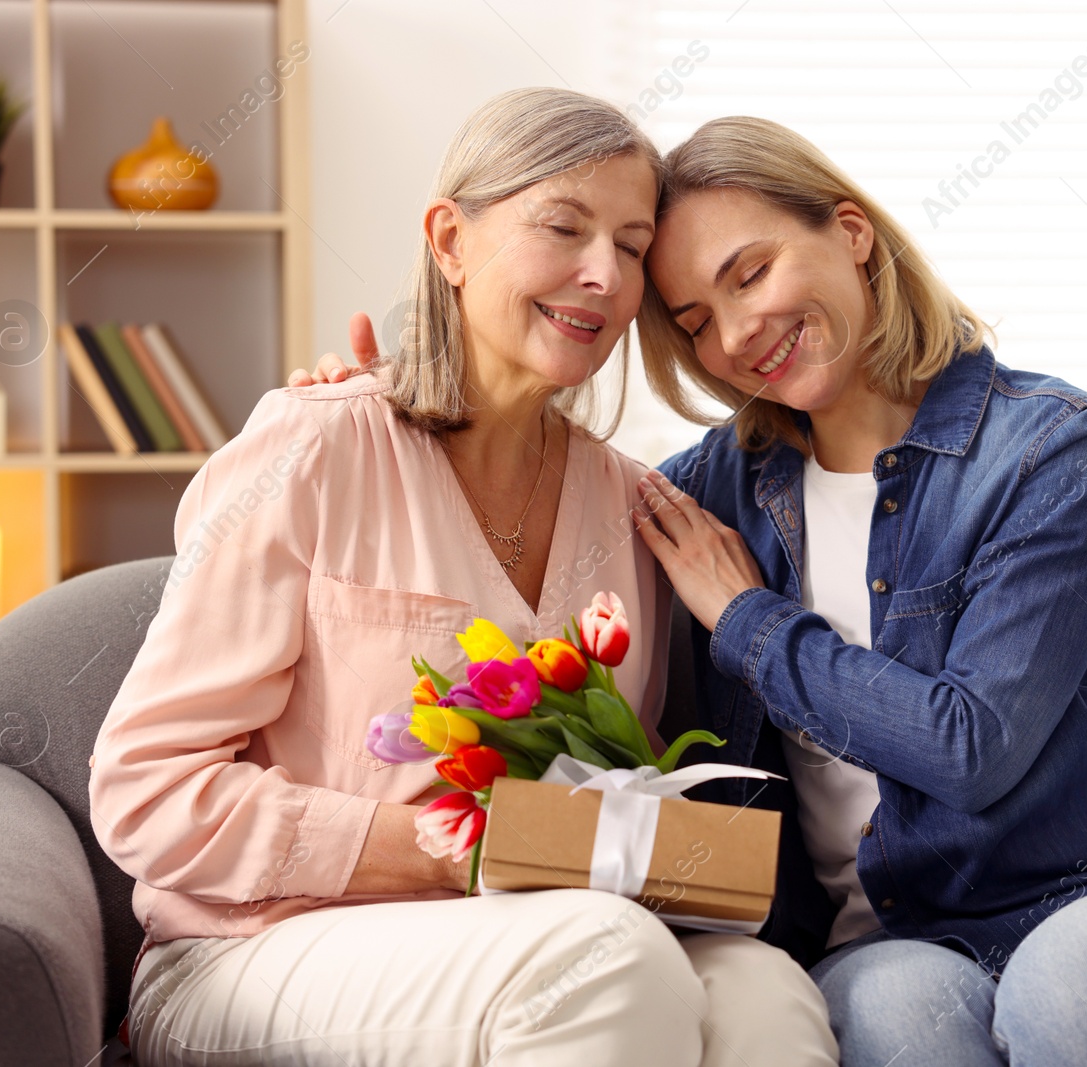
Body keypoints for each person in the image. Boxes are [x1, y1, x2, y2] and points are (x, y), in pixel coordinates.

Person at [296, 114, 1087, 1066]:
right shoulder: (703, 491)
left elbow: (970, 747)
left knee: (1074, 993)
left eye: (751, 272)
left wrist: (747, 618)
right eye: (695, 320)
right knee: (893, 1021)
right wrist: (391, 413)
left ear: (849, 232)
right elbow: (528, 503)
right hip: (889, 936)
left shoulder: (1046, 448)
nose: (737, 334)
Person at [90, 89, 837, 1067]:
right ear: (449, 239)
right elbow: (145, 788)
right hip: (248, 948)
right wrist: (443, 846)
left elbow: (619, 799)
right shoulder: (314, 448)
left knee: (763, 990)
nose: (600, 274)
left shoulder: (630, 506)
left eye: (629, 243)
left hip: (535, 936)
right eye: (562, 226)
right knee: (605, 956)